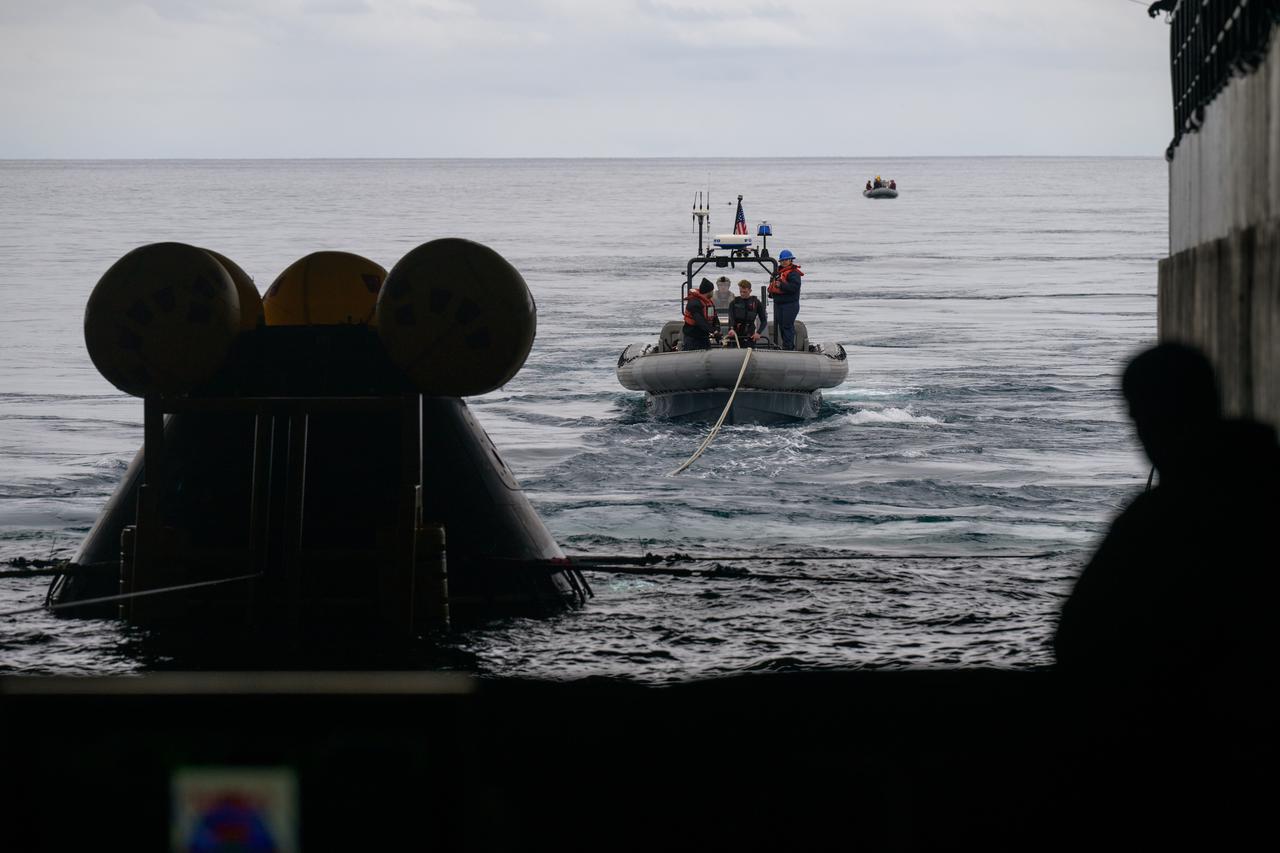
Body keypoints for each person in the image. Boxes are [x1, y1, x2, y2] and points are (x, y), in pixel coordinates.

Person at [1052, 343, 1279, 845]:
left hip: (1181, 762)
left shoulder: (1163, 517)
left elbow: (1078, 639)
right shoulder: (1262, 490)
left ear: (1155, 417)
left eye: (1140, 417)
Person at [766, 249, 803, 350]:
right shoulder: (777, 273)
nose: (784, 262)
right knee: (781, 326)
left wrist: (781, 285)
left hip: (790, 304)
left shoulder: (794, 273)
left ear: (791, 260)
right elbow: (772, 286)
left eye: (786, 260)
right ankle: (785, 346)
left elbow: (794, 288)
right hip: (778, 303)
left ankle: (789, 347)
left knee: (787, 326)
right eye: (782, 260)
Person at [681, 278, 721, 351]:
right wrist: (713, 331)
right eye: (712, 290)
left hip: (704, 337)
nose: (713, 292)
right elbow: (700, 321)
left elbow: (715, 317)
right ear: (709, 291)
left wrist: (717, 329)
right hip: (692, 337)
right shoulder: (694, 303)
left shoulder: (709, 302)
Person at [726, 279, 767, 347]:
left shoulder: (756, 303)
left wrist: (758, 333)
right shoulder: (734, 303)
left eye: (744, 292)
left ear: (750, 291)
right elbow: (731, 318)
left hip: (750, 334)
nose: (742, 294)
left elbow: (764, 321)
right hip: (736, 333)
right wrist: (731, 329)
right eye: (740, 291)